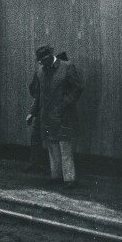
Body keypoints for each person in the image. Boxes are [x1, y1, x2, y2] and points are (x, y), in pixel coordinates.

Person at [27, 45, 84, 188]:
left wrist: (64, 103)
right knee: (52, 147)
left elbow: (77, 88)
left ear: (49, 56)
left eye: (42, 59)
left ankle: (69, 179)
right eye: (39, 61)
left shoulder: (67, 67)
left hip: (64, 115)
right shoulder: (41, 72)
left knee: (65, 148)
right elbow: (38, 95)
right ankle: (56, 176)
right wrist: (32, 113)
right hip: (48, 116)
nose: (41, 63)